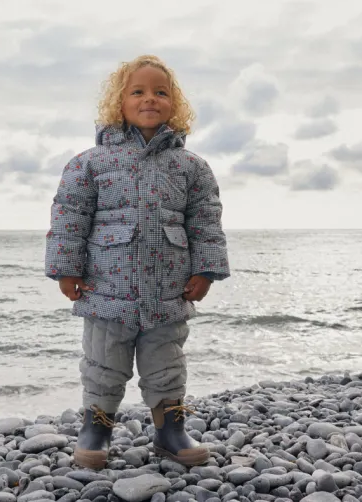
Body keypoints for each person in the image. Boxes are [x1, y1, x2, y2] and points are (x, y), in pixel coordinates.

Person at [44, 55, 231, 470]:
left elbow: (205, 220)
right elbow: (69, 216)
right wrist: (66, 268)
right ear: (119, 103)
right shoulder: (89, 163)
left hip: (168, 291)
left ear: (174, 104)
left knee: (166, 363)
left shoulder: (191, 167)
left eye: (161, 92)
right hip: (106, 290)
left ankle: (170, 431)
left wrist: (206, 270)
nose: (151, 99)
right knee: (102, 363)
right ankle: (96, 428)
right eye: (138, 91)